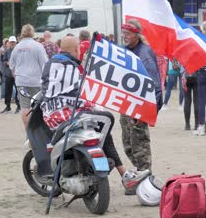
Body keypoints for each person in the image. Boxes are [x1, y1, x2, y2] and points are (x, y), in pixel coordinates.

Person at [40, 35, 150, 194]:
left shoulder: (48, 65)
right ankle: (124, 174)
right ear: (77, 49)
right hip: (70, 117)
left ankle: (120, 173)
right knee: (104, 129)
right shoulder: (72, 68)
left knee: (99, 127)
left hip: (53, 119)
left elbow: (47, 89)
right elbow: (81, 91)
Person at [119, 19, 163, 193]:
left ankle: (146, 184)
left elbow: (155, 85)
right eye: (123, 33)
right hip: (125, 105)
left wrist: (148, 112)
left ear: (137, 35)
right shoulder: (123, 51)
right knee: (128, 144)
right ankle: (140, 177)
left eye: (128, 34)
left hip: (139, 107)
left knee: (140, 147)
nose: (125, 36)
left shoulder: (144, 54)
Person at [9, 24, 48, 128]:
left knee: (25, 106)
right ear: (32, 32)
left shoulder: (17, 47)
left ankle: (28, 131)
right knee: (39, 106)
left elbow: (11, 65)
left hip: (21, 81)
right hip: (36, 81)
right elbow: (45, 64)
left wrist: (16, 75)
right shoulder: (38, 46)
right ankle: (38, 130)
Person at [0, 36, 20, 114]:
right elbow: (4, 60)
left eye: (13, 42)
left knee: (18, 91)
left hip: (17, 74)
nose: (12, 44)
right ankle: (8, 107)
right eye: (11, 42)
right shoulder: (7, 51)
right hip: (8, 74)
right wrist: (7, 63)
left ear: (16, 43)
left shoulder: (19, 51)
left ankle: (19, 106)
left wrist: (14, 64)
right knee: (8, 91)